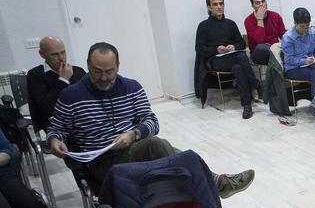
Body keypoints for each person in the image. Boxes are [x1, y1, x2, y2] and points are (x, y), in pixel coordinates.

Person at [47, 42, 255, 197]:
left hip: (133, 148)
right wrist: (55, 141)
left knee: (170, 152)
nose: (103, 78)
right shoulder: (71, 95)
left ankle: (207, 189)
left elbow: (151, 121)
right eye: (96, 72)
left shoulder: (131, 87)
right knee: (159, 147)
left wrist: (133, 133)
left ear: (118, 66)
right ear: (87, 66)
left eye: (109, 72)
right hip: (102, 163)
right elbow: (56, 129)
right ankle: (213, 186)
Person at [195, 0, 260, 119]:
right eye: (215, 4)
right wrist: (216, 49)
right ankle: (255, 84)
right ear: (209, 7)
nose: (219, 7)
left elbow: (241, 43)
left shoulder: (230, 24)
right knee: (241, 57)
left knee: (238, 67)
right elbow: (199, 49)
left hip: (232, 57)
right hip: (214, 61)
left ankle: (247, 106)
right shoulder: (203, 26)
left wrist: (234, 47)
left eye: (221, 4)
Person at [26, 36, 86, 133]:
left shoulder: (78, 71)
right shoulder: (35, 75)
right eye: (54, 54)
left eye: (63, 52)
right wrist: (63, 80)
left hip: (83, 121)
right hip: (56, 126)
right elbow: (47, 109)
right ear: (42, 54)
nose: (61, 58)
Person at [281, 7, 315, 120]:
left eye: (307, 26)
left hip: (311, 64)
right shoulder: (288, 38)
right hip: (293, 69)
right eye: (302, 26)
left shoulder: (313, 32)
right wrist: (303, 61)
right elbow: (288, 60)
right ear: (295, 23)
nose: (305, 29)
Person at [243, 0, 286, 65]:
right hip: (258, 53)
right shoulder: (248, 20)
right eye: (257, 3)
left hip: (275, 48)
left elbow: (283, 36)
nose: (261, 4)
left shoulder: (276, 16)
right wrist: (260, 19)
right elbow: (260, 41)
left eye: (263, 1)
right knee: (261, 47)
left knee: (287, 46)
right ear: (253, 6)